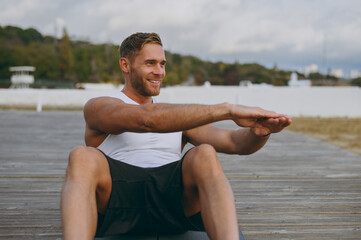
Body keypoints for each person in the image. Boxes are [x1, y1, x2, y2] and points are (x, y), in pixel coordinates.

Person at [61, 32, 292, 240]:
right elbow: (147, 119)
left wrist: (260, 132)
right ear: (125, 65)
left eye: (162, 64)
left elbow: (234, 142)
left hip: (172, 202)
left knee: (205, 153)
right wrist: (227, 110)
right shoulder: (99, 106)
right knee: (82, 156)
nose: (159, 72)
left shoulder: (176, 116)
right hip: (116, 200)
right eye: (150, 63)